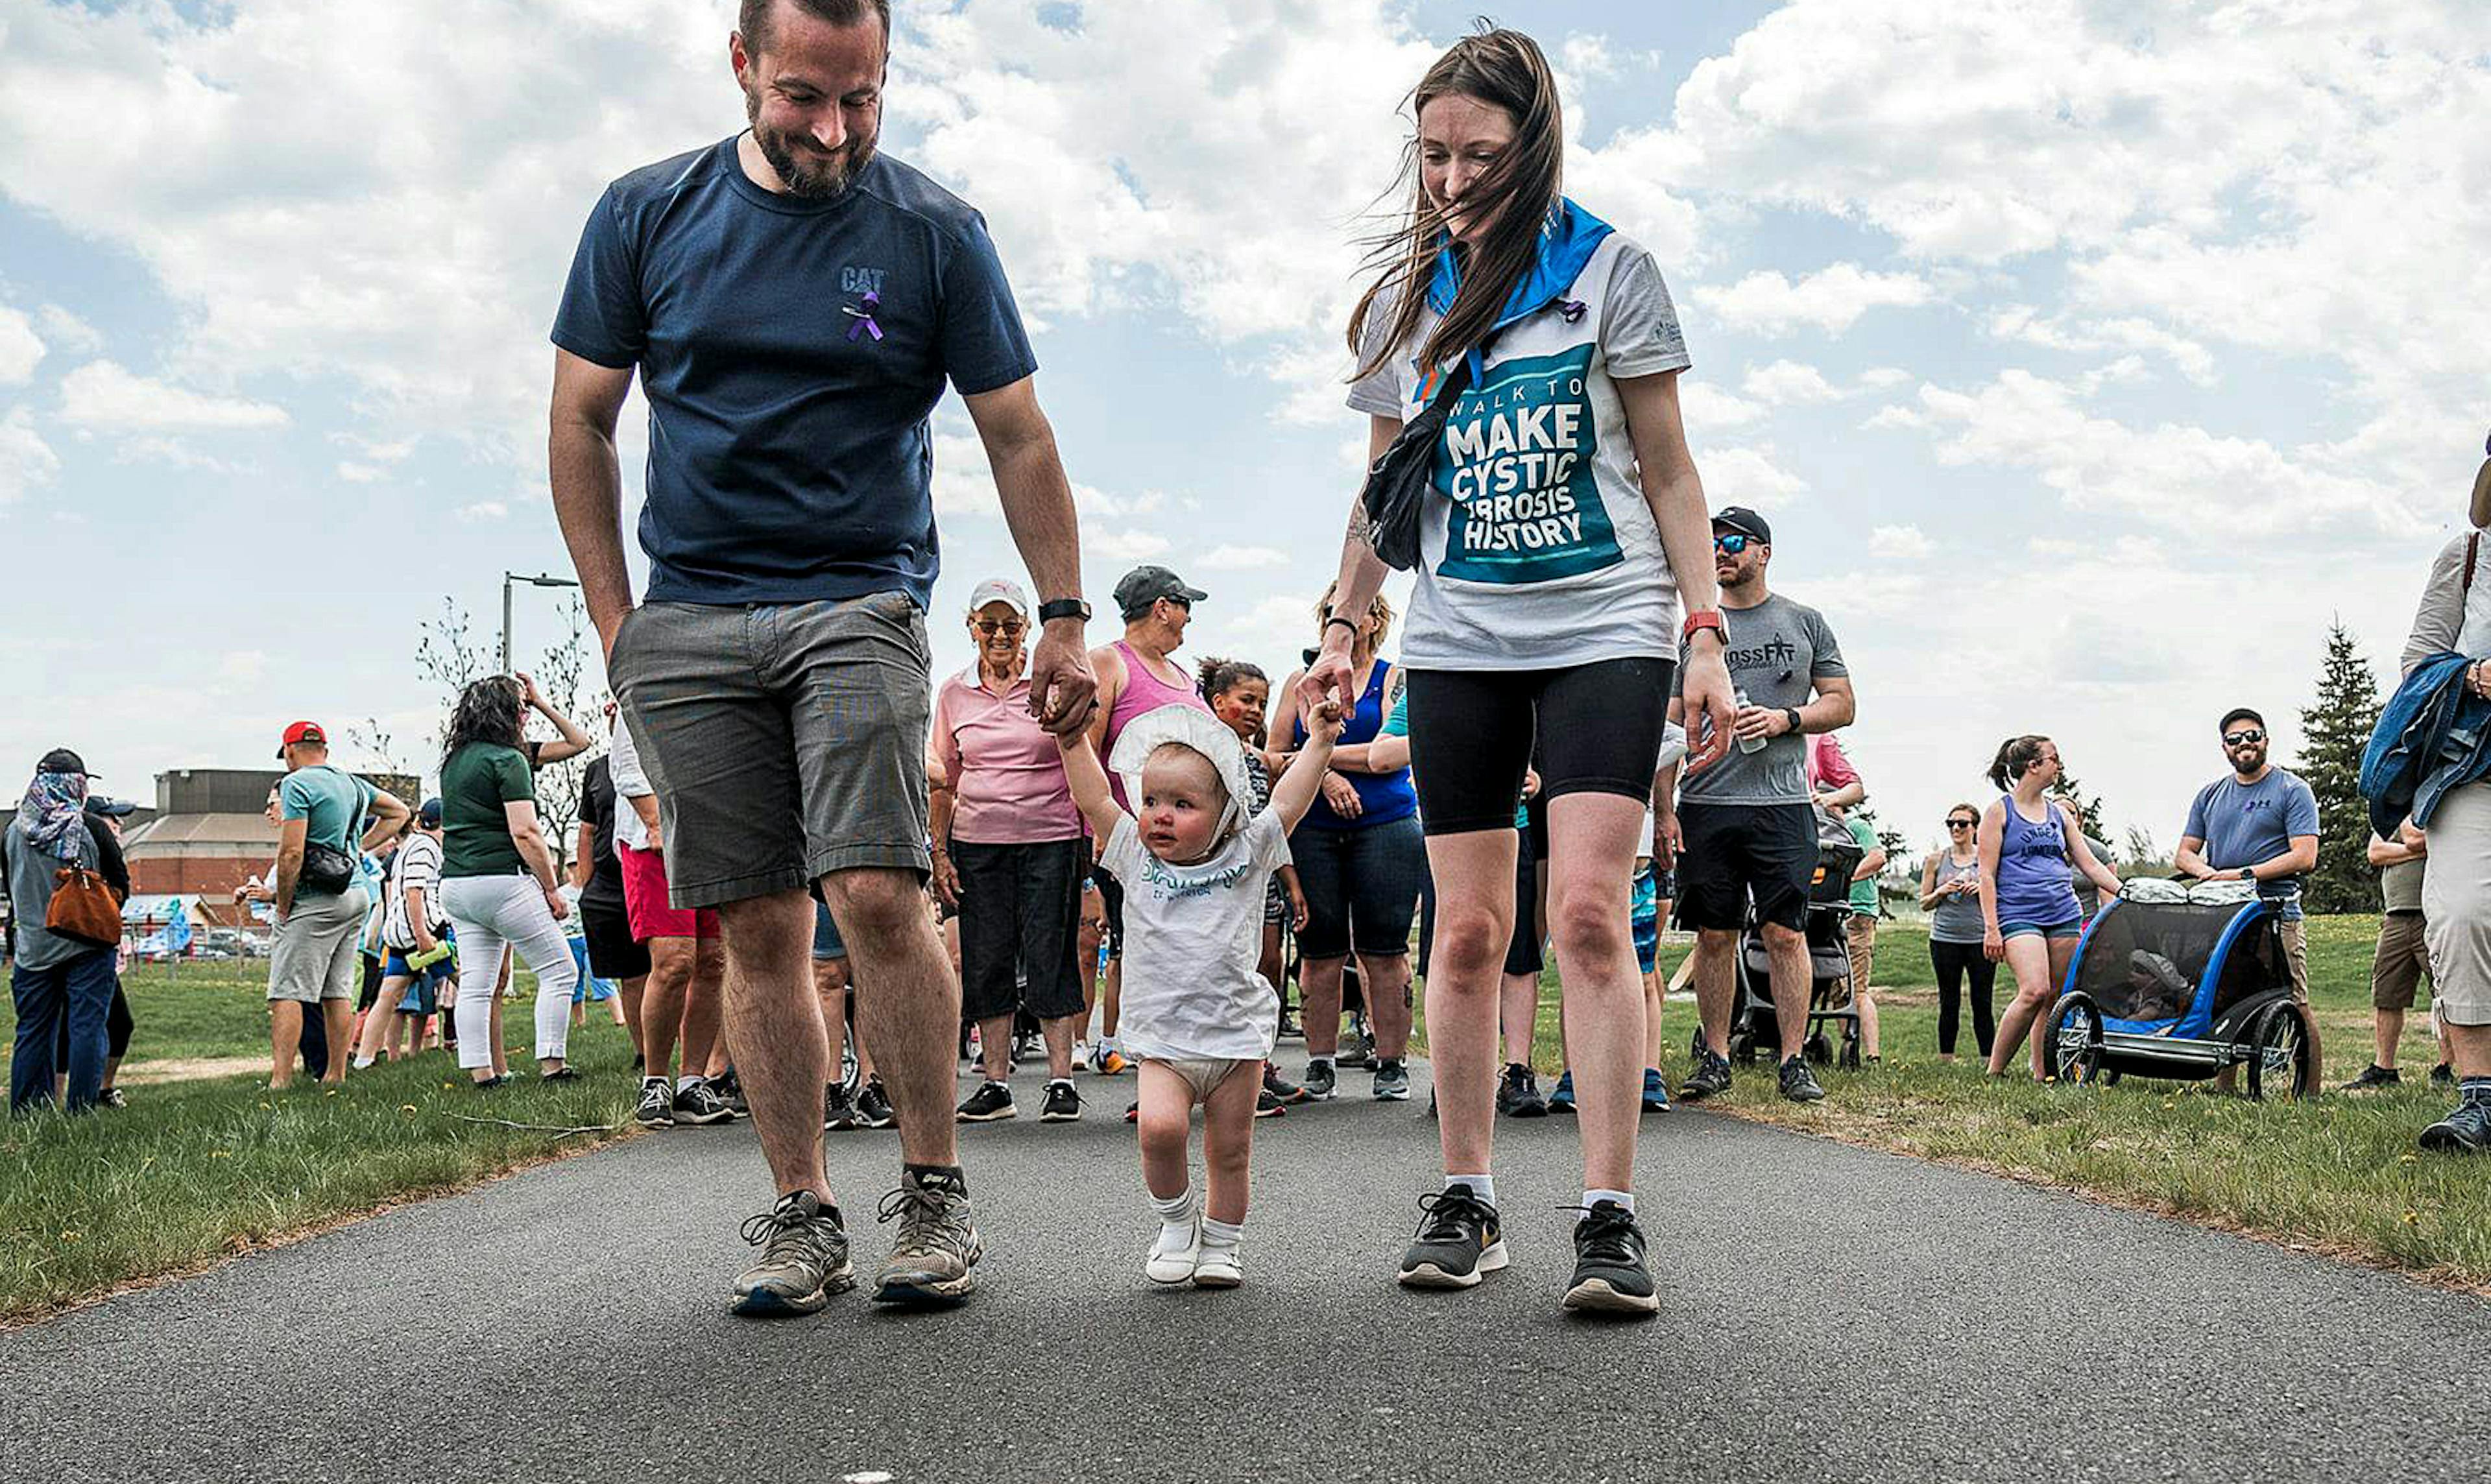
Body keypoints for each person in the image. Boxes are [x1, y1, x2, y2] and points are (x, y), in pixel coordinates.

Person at [549, 0, 1098, 1313]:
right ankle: (804, 1210)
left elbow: (1017, 431)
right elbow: (581, 416)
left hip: (858, 599)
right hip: (687, 615)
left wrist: (1066, 610)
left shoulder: (935, 231)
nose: (835, 130)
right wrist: (619, 620)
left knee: (875, 896)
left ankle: (932, 1190)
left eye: (863, 99)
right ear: (742, 66)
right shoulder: (644, 215)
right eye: (804, 97)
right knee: (753, 921)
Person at [1304, 25, 1739, 1314]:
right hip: (1458, 643)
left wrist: (1703, 633)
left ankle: (1608, 1214)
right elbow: (1381, 495)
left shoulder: (1611, 271)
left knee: (1590, 916)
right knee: (1471, 929)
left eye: (1477, 156)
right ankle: (1467, 1194)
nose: (1449, 180)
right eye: (1432, 155)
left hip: (1607, 626)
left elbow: (1668, 471)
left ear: (1533, 145)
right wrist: (1342, 629)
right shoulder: (1404, 299)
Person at [1056, 699, 1342, 1287]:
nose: (1160, 816)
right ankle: (1176, 1220)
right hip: (1165, 1038)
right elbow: (1094, 801)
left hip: (1235, 1038)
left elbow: (1289, 803)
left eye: (1183, 805)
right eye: (1153, 801)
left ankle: (1222, 1244)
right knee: (1159, 1129)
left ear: (1225, 813)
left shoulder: (1247, 852)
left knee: (1230, 1153)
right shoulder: (1136, 856)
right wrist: (1070, 741)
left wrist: (1321, 740)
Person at [1669, 507, 1857, 1108]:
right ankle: (1716, 1055)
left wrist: (1785, 719)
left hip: (1781, 804)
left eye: (1731, 542)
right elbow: (1670, 715)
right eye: (1711, 544)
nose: (1719, 553)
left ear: (1764, 551)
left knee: (1786, 932)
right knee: (1715, 934)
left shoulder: (1804, 622)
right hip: (1706, 799)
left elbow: (1843, 703)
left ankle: (1794, 1059)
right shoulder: (1697, 631)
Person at [931, 578, 1089, 1125]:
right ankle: (996, 1083)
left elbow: (1079, 756)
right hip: (978, 841)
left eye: (1011, 624)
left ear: (1028, 629)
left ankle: (1061, 1080)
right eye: (988, 623)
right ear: (971, 627)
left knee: (1051, 950)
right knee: (986, 955)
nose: (999, 634)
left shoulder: (1049, 681)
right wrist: (939, 854)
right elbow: (944, 780)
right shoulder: (953, 693)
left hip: (1052, 836)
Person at [1271, 584, 1425, 1102]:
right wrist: (1325, 777)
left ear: (1377, 620)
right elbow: (1273, 757)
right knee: (1321, 949)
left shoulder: (1395, 680)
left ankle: (1391, 1062)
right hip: (1313, 830)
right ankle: (1319, 1061)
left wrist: (1323, 756)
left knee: (1383, 949)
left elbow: (1398, 753)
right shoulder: (1300, 682)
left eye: (1362, 615)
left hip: (1386, 824)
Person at [1083, 565, 1214, 1077]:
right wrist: (1099, 831)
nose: (1188, 621)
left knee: (1188, 946)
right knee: (1140, 946)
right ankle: (1148, 1054)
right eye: (1186, 608)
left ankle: (1191, 1053)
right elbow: (1086, 750)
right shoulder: (1109, 662)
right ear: (1163, 606)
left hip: (1192, 843)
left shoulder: (1184, 677)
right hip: (1133, 840)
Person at [2394, 502, 2491, 1151]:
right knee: (2460, 913)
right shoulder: (2468, 557)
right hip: (2473, 770)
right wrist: (2471, 674)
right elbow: (2416, 667)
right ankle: (2480, 1098)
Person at [435, 679, 581, 1088]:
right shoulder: (508, 760)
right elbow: (526, 833)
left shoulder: (455, 761)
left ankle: (483, 1074)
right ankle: (554, 1067)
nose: (527, 713)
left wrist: (538, 700)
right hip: (501, 882)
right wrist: (552, 888)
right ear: (506, 712)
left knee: (477, 983)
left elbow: (578, 742)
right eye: (522, 707)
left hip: (457, 886)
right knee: (559, 971)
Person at [2175, 707, 2324, 1084]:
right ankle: (2225, 1088)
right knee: (2227, 998)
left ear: (2266, 740)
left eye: (2253, 735)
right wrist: (2206, 873)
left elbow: (2305, 856)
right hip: (2224, 916)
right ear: (2224, 748)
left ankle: (2308, 1092)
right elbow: (2184, 853)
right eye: (2235, 739)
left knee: (2293, 1001)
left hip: (2276, 911)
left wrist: (2243, 874)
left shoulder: (2292, 790)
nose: (2245, 744)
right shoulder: (2210, 795)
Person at [607, 703, 736, 1127]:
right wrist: (656, 822)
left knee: (714, 963)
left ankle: (692, 1082)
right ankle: (655, 1080)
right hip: (653, 841)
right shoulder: (644, 673)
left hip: (714, 837)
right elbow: (626, 764)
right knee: (675, 961)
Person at [1199, 656, 1312, 1116]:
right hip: (1216, 880)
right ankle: (1199, 1067)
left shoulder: (1261, 759)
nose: (1255, 710)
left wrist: (1291, 881)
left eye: (1262, 703)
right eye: (1247, 700)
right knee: (1217, 969)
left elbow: (1271, 827)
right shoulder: (1201, 752)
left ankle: (1257, 1063)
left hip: (1260, 879)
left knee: (1266, 964)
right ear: (1218, 701)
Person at [267, 722, 409, 1090]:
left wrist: (284, 904)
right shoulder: (352, 783)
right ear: (325, 751)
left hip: (317, 899)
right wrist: (359, 847)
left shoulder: (296, 784)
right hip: (356, 895)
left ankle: (280, 1082)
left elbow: (292, 852)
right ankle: (336, 1074)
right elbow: (398, 813)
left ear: (290, 750)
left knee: (287, 991)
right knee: (337, 990)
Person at [1979, 736, 2123, 1079]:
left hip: (2063, 914)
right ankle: (1995, 1072)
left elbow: (2089, 864)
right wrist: (1991, 927)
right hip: (2018, 915)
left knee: (2054, 997)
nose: (2059, 765)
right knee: (2034, 990)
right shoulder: (2000, 812)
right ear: (2033, 766)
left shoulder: (2058, 814)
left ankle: (2043, 1073)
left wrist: (2126, 891)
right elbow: (1985, 874)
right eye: (2054, 759)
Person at [3, 750, 126, 1114]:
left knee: (33, 1031)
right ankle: (81, 1109)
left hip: (33, 950)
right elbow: (121, 884)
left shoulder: (12, 832)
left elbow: (10, 886)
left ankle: (28, 1110)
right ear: (77, 784)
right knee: (87, 1027)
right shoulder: (90, 826)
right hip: (87, 944)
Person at [2342, 824, 2446, 1092]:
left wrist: (2404, 849)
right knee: (2387, 996)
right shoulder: (2389, 818)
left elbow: (2424, 841)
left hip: (2433, 915)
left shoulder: (2433, 813)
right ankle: (2384, 1068)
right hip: (2395, 918)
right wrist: (2418, 851)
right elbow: (2376, 853)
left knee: (2446, 994)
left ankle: (2448, 1066)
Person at [357, 799, 454, 1067]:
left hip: (399, 931)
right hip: (424, 930)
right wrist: (423, 935)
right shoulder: (426, 847)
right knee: (470, 984)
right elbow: (415, 890)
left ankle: (364, 1059)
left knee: (388, 995)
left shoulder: (411, 844)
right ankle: (480, 1053)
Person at [64, 794, 139, 1106]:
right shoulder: (81, 848)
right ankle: (72, 1099)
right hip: (79, 949)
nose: (119, 825)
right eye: (112, 817)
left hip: (101, 949)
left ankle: (101, 1089)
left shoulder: (108, 853)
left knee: (119, 1025)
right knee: (80, 1026)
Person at [1921, 804, 1996, 1062]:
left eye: (1962, 824)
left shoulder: (1987, 859)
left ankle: (1989, 1060)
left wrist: (1981, 889)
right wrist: (1941, 892)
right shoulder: (1936, 860)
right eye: (1951, 823)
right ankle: (1946, 1059)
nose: (1956, 828)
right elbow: (1924, 903)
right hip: (1944, 939)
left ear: (1974, 828)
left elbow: (2002, 896)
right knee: (1949, 1000)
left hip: (1980, 938)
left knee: (1982, 1002)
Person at [1828, 800, 1886, 1063]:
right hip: (1827, 913)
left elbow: (1877, 858)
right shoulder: (1820, 832)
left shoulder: (1857, 827)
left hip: (1857, 913)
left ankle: (1873, 1055)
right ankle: (1849, 1050)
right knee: (1836, 991)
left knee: (1857, 988)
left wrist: (1844, 879)